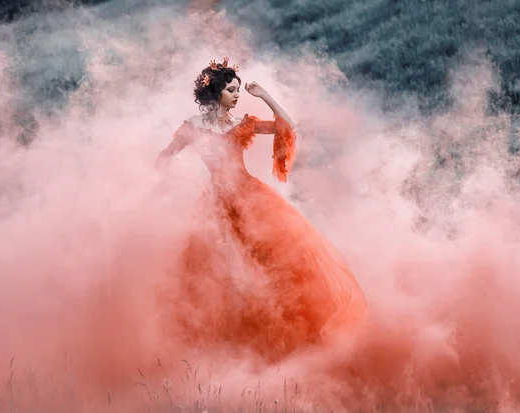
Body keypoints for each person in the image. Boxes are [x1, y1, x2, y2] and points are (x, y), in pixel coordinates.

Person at [155, 57, 367, 363]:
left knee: (276, 260)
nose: (237, 95)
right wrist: (171, 184)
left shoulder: (242, 125)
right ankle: (237, 347)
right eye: (231, 90)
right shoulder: (193, 127)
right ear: (215, 93)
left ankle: (295, 338)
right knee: (225, 274)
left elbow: (288, 127)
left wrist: (264, 95)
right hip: (216, 202)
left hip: (250, 197)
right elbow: (165, 157)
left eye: (238, 89)